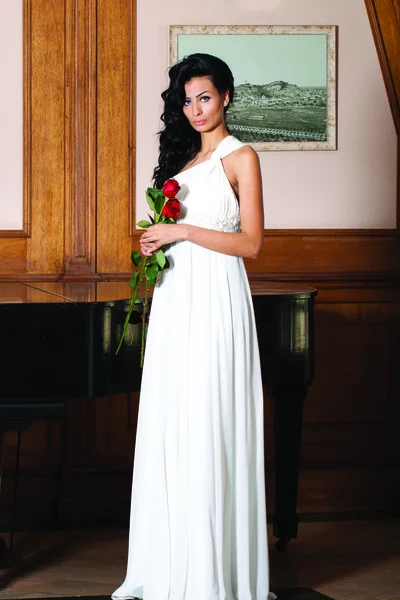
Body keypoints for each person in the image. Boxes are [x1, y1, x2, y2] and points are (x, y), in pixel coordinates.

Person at [112, 53, 276, 600]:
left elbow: (251, 243)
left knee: (209, 423)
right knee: (173, 423)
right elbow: (180, 229)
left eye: (204, 97)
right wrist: (157, 237)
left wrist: (180, 232)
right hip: (177, 301)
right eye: (187, 100)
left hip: (216, 301)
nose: (195, 109)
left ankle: (211, 577)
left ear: (227, 96)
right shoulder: (182, 161)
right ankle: (164, 569)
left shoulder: (241, 157)